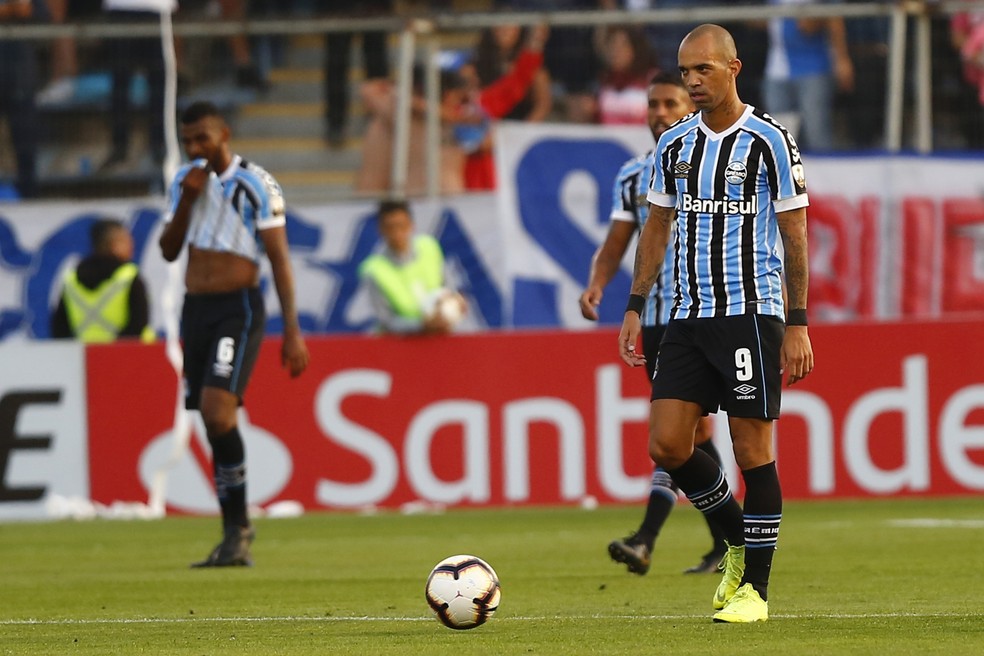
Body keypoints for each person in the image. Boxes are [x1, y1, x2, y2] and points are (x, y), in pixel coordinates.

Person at [618, 24, 813, 623]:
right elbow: (655, 228)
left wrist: (800, 322)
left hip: (749, 314)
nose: (693, 81)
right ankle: (735, 537)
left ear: (735, 67)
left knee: (752, 448)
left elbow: (795, 235)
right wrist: (633, 303)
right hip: (685, 313)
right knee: (668, 444)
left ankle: (755, 588)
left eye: (704, 70)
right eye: (685, 72)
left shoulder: (770, 140)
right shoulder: (674, 147)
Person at [579, 71, 727, 576]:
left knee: (689, 434)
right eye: (652, 104)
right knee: (691, 435)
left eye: (669, 103)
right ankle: (726, 540)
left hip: (713, 311)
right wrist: (598, 283)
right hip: (663, 322)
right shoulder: (633, 175)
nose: (659, 112)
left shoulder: (719, 163)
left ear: (691, 106)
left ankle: (651, 538)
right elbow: (616, 243)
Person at [159, 100, 310, 567]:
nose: (195, 147)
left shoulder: (256, 184)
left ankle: (238, 528)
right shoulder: (186, 183)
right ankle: (234, 533)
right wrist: (186, 198)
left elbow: (280, 259)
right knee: (211, 420)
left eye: (203, 137)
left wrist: (292, 330)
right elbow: (168, 251)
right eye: (188, 140)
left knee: (217, 412)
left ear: (224, 132)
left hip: (237, 308)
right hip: (195, 309)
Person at [359, 199, 465, 336]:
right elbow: (386, 320)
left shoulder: (429, 247)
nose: (397, 233)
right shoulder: (374, 270)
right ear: (381, 230)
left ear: (411, 225)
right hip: (399, 345)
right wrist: (422, 324)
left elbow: (448, 287)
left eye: (401, 226)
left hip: (437, 337)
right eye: (390, 227)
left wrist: (455, 301)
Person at [761, 0, 854, 152]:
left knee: (816, 131)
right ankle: (782, 173)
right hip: (776, 71)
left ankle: (825, 174)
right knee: (778, 135)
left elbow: (833, 16)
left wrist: (842, 59)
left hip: (813, 69)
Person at [98, 0, 174, 172]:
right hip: (120, 7)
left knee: (158, 81)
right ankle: (120, 147)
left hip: (155, 7)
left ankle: (160, 146)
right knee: (120, 81)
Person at [50, 218, 154, 342]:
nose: (132, 246)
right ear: (113, 244)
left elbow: (60, 329)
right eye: (126, 241)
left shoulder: (71, 279)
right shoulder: (129, 276)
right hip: (127, 355)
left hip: (83, 355)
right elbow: (139, 324)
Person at [0, 0, 40, 199]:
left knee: (25, 145)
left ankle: (29, 197)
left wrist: (26, 10)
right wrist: (7, 10)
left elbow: (44, 16)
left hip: (19, 74)